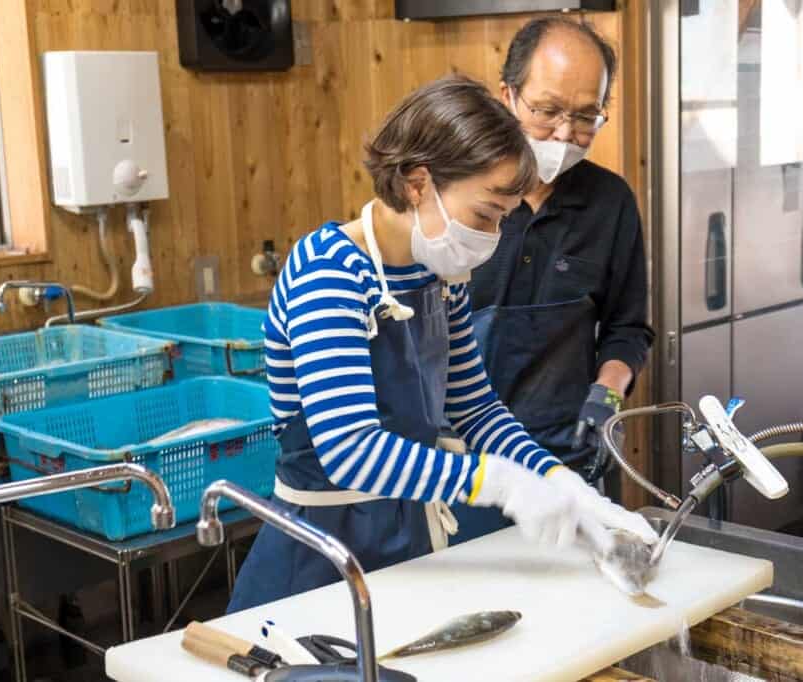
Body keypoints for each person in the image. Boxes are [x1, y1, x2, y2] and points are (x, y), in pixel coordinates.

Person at [227, 76, 657, 612]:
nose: (492, 238)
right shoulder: (329, 273)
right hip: (321, 556)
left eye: (502, 219)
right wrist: (499, 483)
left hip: (406, 542)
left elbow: (475, 408)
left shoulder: (438, 274)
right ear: (417, 183)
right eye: (485, 215)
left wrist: (560, 481)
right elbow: (349, 449)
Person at [455, 18, 656, 543]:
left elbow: (627, 328)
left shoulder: (609, 204)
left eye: (586, 116)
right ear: (508, 97)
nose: (565, 133)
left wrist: (605, 396)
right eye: (547, 112)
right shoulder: (461, 200)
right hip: (462, 469)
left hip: (567, 454)